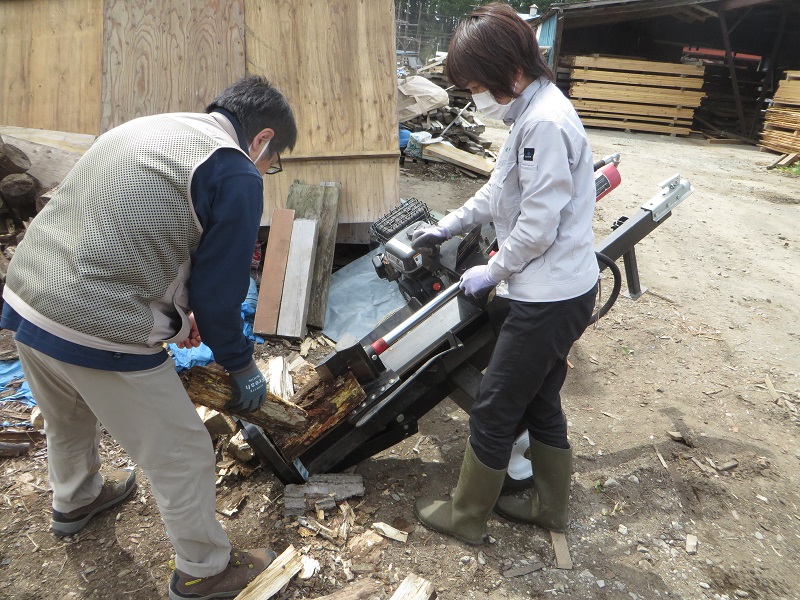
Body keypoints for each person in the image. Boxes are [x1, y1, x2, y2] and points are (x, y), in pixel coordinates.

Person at [1, 76, 297, 599]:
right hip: (97, 323)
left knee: (68, 414)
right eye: (271, 163)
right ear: (263, 139)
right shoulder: (234, 170)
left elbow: (130, 229)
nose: (263, 172)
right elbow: (221, 291)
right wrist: (240, 364)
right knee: (183, 452)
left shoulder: (151, 128)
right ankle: (204, 570)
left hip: (28, 296)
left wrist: (179, 315)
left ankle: (75, 499)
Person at [411, 3, 599, 544]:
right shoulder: (531, 114)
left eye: (478, 86)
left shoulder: (544, 124)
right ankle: (548, 506)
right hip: (558, 288)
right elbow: (499, 190)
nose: (477, 98)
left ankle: (466, 516)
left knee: (494, 409)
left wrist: (492, 270)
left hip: (549, 298)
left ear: (511, 72)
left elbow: (538, 226)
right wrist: (446, 226)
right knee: (541, 398)